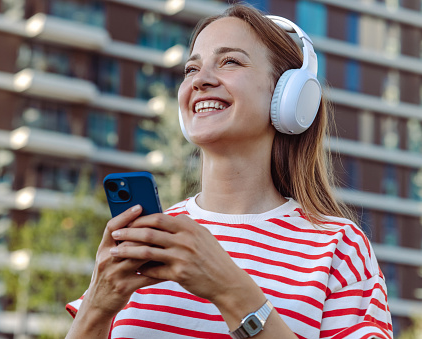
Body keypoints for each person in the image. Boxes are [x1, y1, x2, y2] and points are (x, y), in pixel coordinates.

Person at [65, 4, 392, 339]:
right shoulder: (149, 240)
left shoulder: (339, 248)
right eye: (191, 70)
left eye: (230, 61)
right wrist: (96, 306)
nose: (201, 81)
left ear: (288, 96)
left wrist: (232, 291)